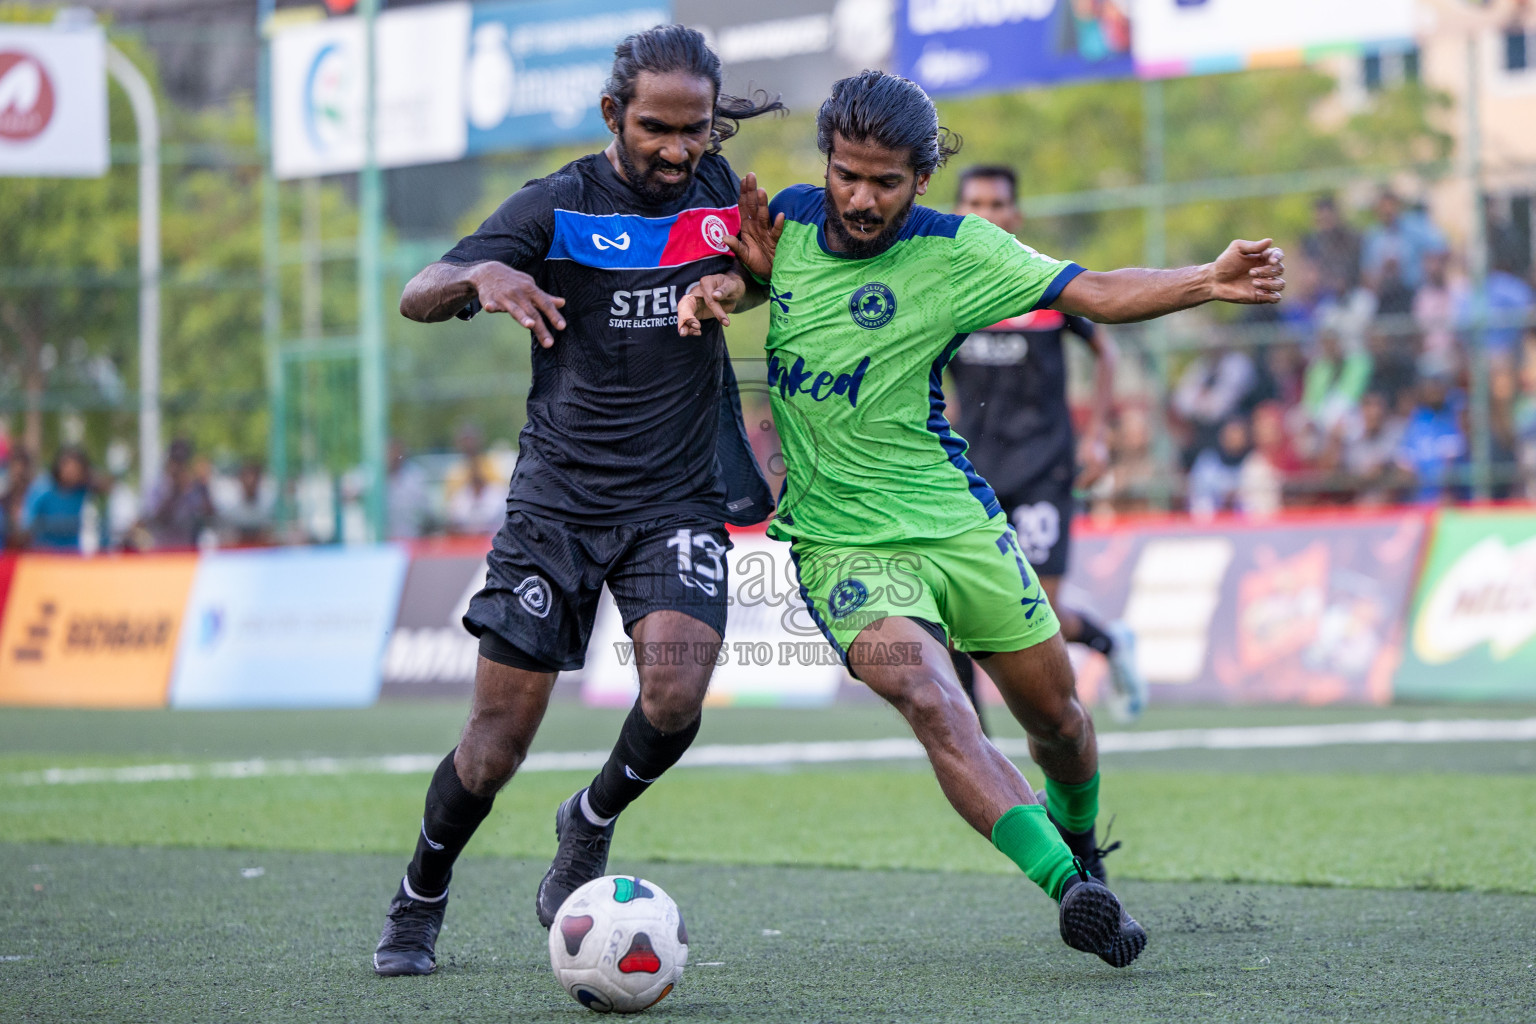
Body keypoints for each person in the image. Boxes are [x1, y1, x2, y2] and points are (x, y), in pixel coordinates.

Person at [697, 70, 1285, 969]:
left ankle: (1082, 838)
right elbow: (735, 281)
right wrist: (731, 288)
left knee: (1059, 724)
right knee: (933, 698)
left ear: (921, 179)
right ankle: (1072, 888)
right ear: (827, 163)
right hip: (839, 545)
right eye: (847, 174)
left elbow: (1094, 291)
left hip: (956, 526)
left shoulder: (963, 252)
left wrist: (1207, 278)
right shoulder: (785, 220)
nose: (860, 197)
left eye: (885, 181)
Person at [371, 25, 781, 977]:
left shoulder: (721, 192)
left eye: (698, 130)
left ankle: (589, 819)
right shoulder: (554, 205)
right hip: (557, 506)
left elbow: (751, 282)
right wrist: (480, 274)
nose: (679, 149)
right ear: (612, 115)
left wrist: (741, 281)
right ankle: (420, 894)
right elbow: (416, 290)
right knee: (493, 745)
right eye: (657, 129)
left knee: (676, 694)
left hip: (677, 497)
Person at [942, 164, 1146, 726]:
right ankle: (973, 740)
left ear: (1016, 215)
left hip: (1044, 469)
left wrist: (1097, 435)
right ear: (958, 213)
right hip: (972, 473)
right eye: (975, 203)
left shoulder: (1043, 280)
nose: (986, 213)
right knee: (958, 611)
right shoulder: (945, 290)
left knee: (1039, 612)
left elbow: (1105, 349)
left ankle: (1106, 642)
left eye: (997, 204)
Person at [21, 447, 99, 552]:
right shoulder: (42, 489)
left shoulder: (83, 492)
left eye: (77, 469)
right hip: (43, 554)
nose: (72, 472)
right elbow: (27, 522)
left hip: (73, 554)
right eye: (68, 467)